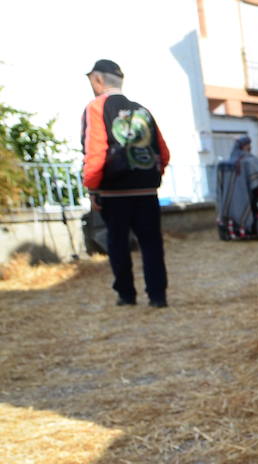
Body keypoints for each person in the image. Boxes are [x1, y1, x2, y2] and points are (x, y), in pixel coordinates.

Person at [80, 59, 171, 308]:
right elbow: (163, 152)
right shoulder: (142, 110)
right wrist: (154, 175)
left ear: (97, 80)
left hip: (113, 192)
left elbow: (95, 152)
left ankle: (126, 295)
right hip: (147, 190)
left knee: (118, 243)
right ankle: (157, 296)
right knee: (152, 243)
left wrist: (93, 188)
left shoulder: (96, 108)